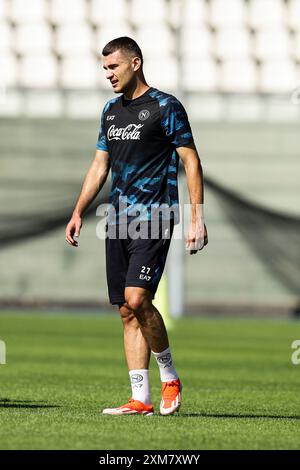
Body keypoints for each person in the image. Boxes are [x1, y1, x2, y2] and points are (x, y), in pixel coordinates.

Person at [65, 37, 208, 416]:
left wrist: (197, 217)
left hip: (156, 217)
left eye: (113, 67)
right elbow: (100, 166)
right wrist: (79, 210)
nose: (108, 75)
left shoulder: (166, 106)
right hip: (117, 219)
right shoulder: (110, 111)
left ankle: (170, 377)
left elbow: (190, 161)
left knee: (137, 298)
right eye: (105, 69)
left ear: (135, 63)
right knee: (125, 311)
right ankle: (140, 398)